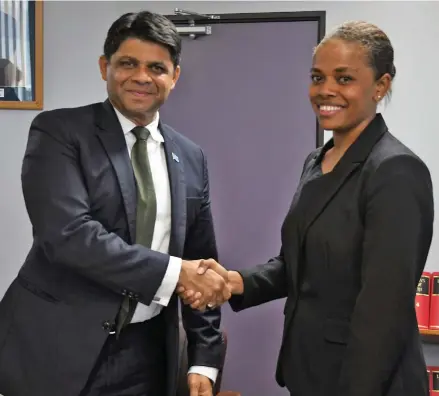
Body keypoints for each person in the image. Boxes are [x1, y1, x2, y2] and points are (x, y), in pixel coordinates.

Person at [180, 21, 433, 396]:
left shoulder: (395, 170)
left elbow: (383, 313)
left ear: (380, 86)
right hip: (309, 372)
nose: (325, 90)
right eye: (317, 77)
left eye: (344, 78)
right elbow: (295, 263)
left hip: (366, 382)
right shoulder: (318, 160)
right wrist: (234, 282)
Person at [0, 11, 229, 396]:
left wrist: (204, 358)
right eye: (128, 63)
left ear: (174, 76)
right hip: (58, 349)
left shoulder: (191, 157)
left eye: (156, 67)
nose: (141, 77)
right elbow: (68, 236)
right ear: (105, 67)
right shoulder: (60, 133)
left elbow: (200, 260)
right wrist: (176, 274)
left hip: (148, 355)